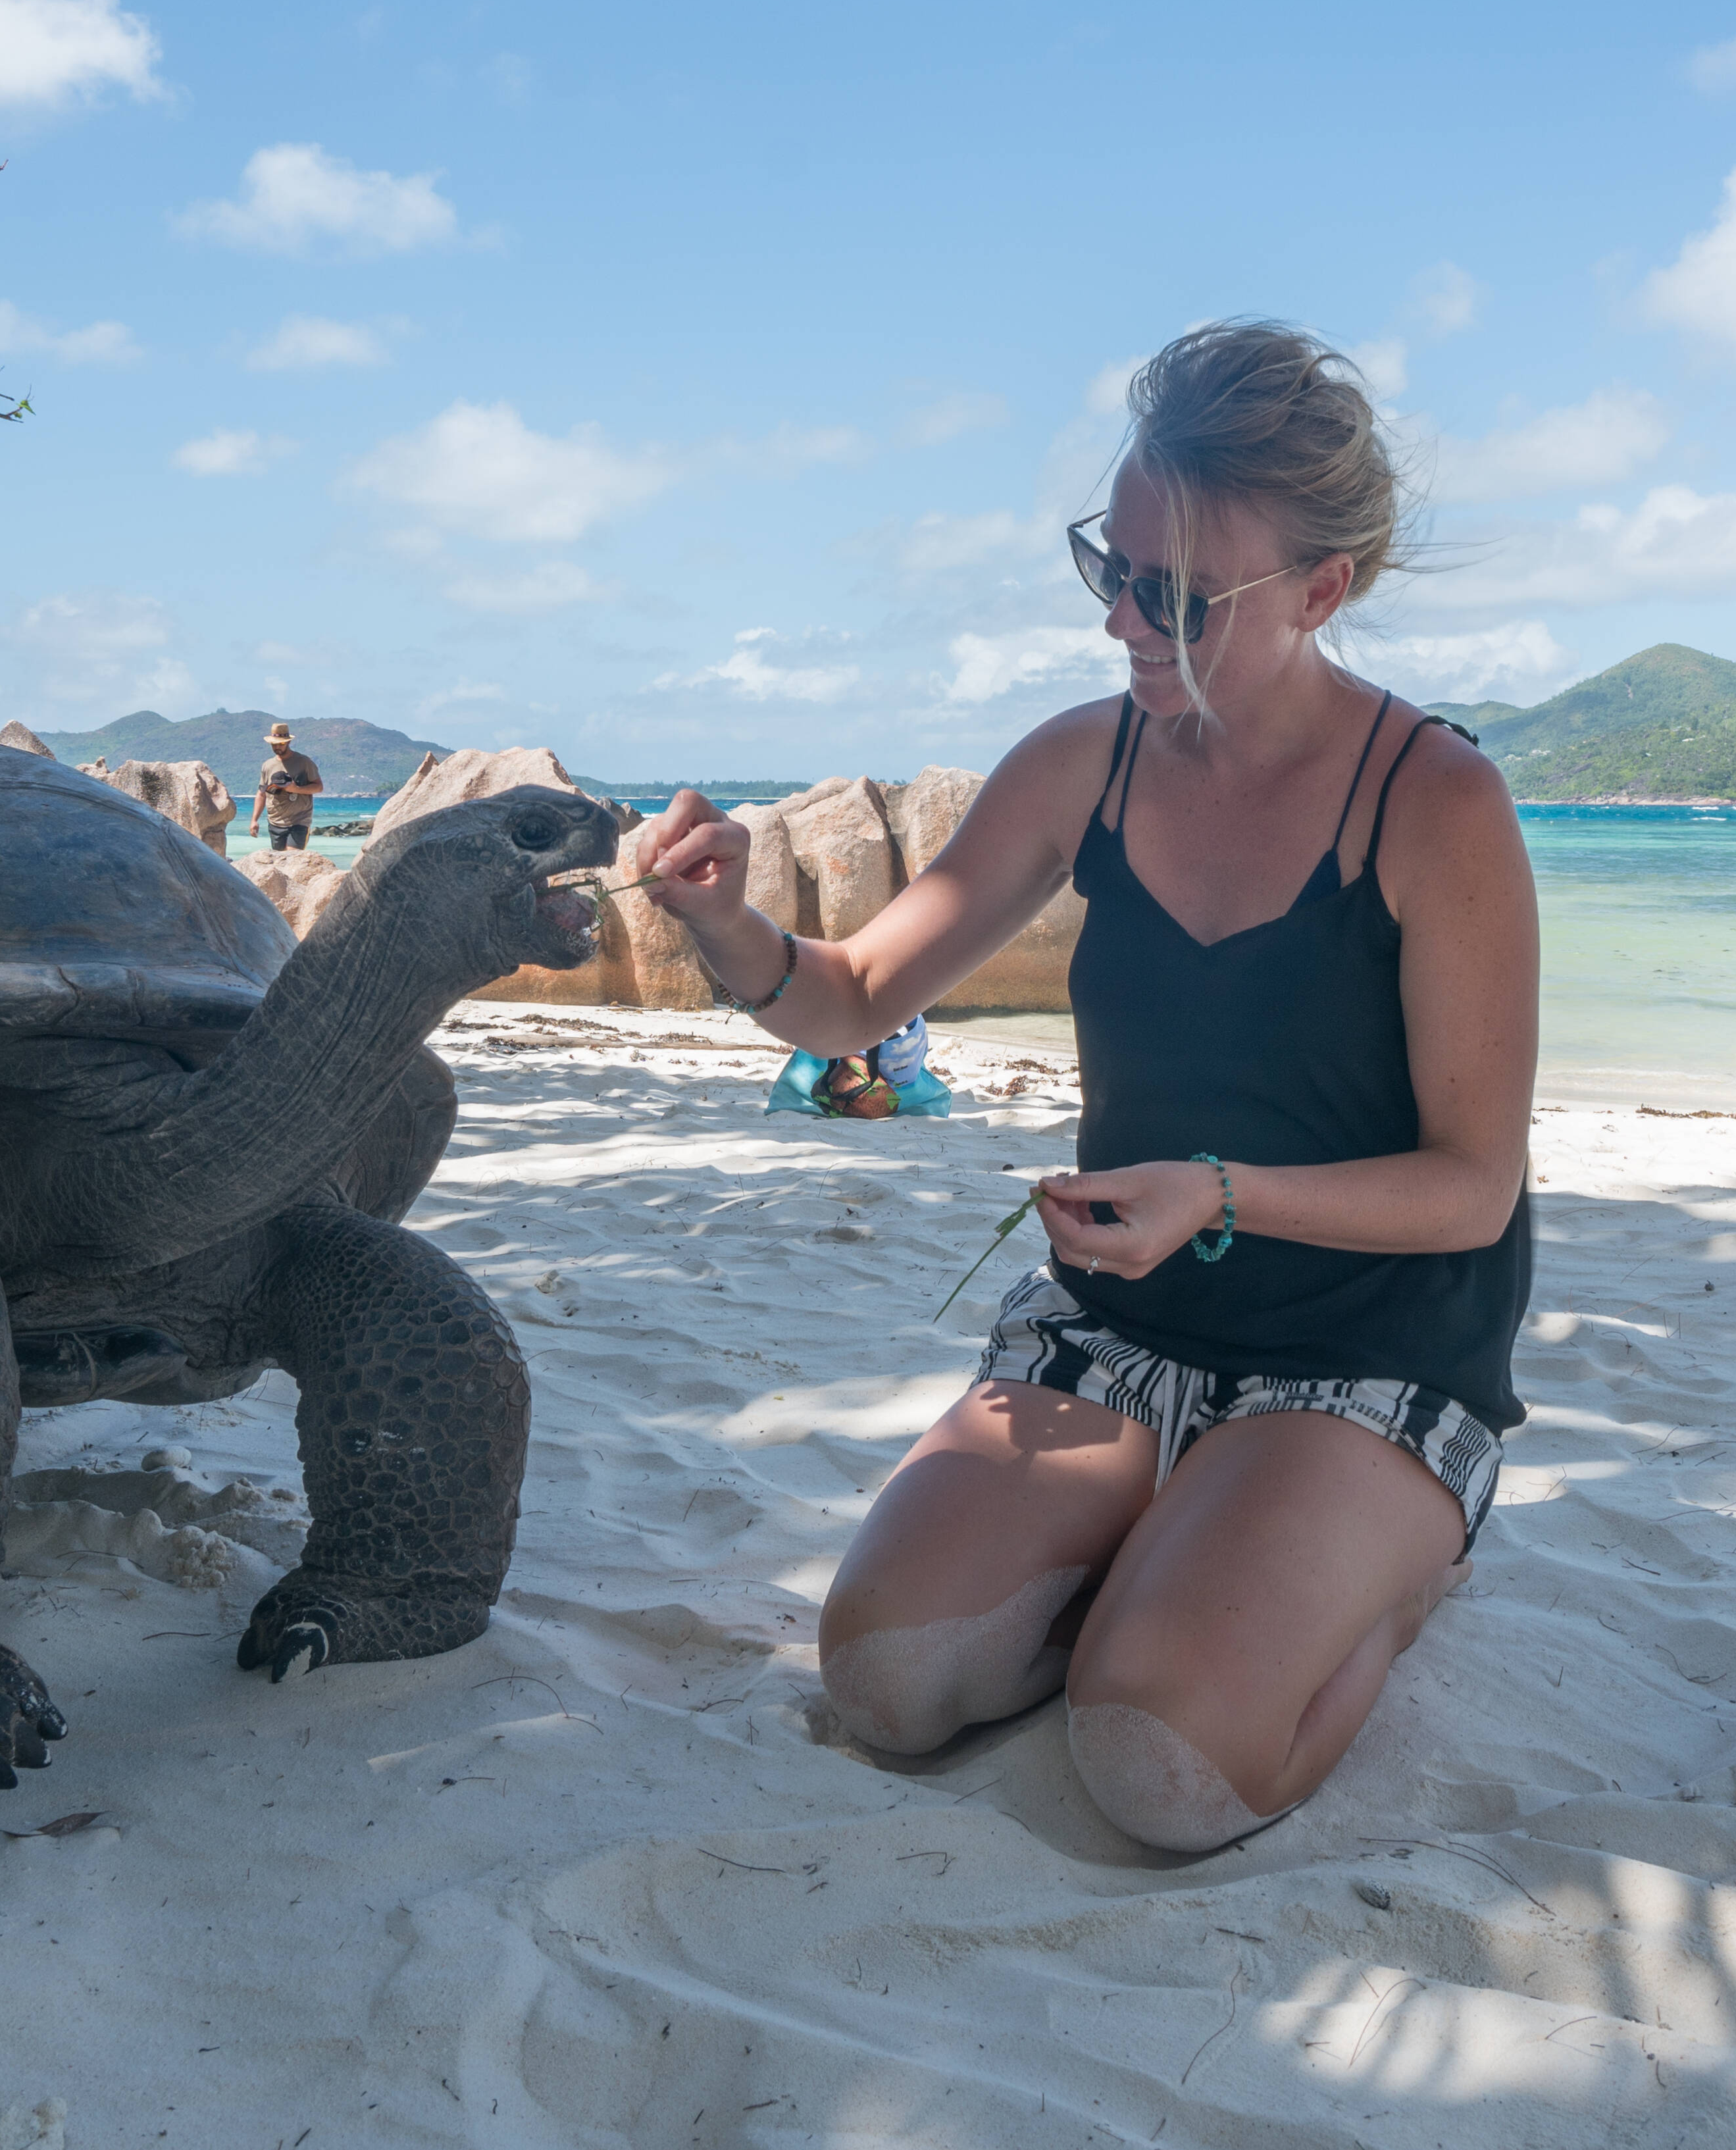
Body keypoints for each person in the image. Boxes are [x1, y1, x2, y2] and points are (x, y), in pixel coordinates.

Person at [622, 321, 1539, 1853]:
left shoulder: (1433, 802)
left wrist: (1217, 1194)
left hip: (1365, 1349)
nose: (1119, 617)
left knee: (1161, 1767)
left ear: (1320, 592)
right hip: (1122, 1320)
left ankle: (1388, 1566)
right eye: (1107, 566)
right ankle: (1186, 1544)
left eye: (1173, 594)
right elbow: (852, 998)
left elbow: (1471, 1185)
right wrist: (725, 923)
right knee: (887, 1683)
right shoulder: (1080, 762)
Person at [251, 723, 322, 852]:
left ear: (288, 742)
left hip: (299, 820)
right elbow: (261, 794)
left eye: (281, 743)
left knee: (292, 857)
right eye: (274, 744)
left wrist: (296, 790)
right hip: (275, 821)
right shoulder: (268, 765)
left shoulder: (304, 762)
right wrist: (254, 820)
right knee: (279, 859)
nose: (277, 747)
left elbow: (319, 787)